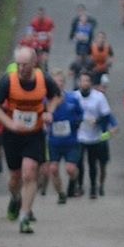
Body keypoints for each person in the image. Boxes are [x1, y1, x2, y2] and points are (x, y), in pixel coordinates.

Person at [0, 43, 55, 234]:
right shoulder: (7, 81)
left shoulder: (43, 79)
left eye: (25, 65)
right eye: (19, 64)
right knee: (15, 178)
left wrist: (48, 112)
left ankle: (24, 216)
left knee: (30, 173)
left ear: (34, 63)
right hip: (12, 135)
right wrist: (10, 124)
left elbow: (57, 96)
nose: (21, 68)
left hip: (34, 134)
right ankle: (15, 198)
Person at [43, 72, 84, 204]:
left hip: (71, 141)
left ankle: (74, 181)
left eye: (60, 81)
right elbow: (42, 116)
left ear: (64, 83)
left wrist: (77, 122)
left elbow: (80, 114)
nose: (58, 84)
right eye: (55, 81)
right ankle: (61, 194)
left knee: (70, 169)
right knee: (53, 169)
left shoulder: (73, 98)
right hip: (54, 141)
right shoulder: (45, 101)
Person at [75, 70, 116, 200]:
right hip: (79, 135)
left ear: (91, 83)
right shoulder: (74, 96)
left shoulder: (99, 97)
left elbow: (106, 116)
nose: (84, 83)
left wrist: (97, 121)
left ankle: (94, 188)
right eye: (82, 81)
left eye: (87, 81)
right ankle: (80, 186)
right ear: (79, 82)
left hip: (95, 136)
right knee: (79, 162)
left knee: (93, 163)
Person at [68, 6, 97, 76]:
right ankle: (78, 71)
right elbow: (73, 31)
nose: (81, 14)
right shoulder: (76, 21)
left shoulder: (90, 21)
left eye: (82, 11)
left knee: (88, 58)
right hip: (79, 44)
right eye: (79, 11)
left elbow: (93, 26)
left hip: (88, 44)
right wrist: (73, 37)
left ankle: (88, 71)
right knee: (79, 58)